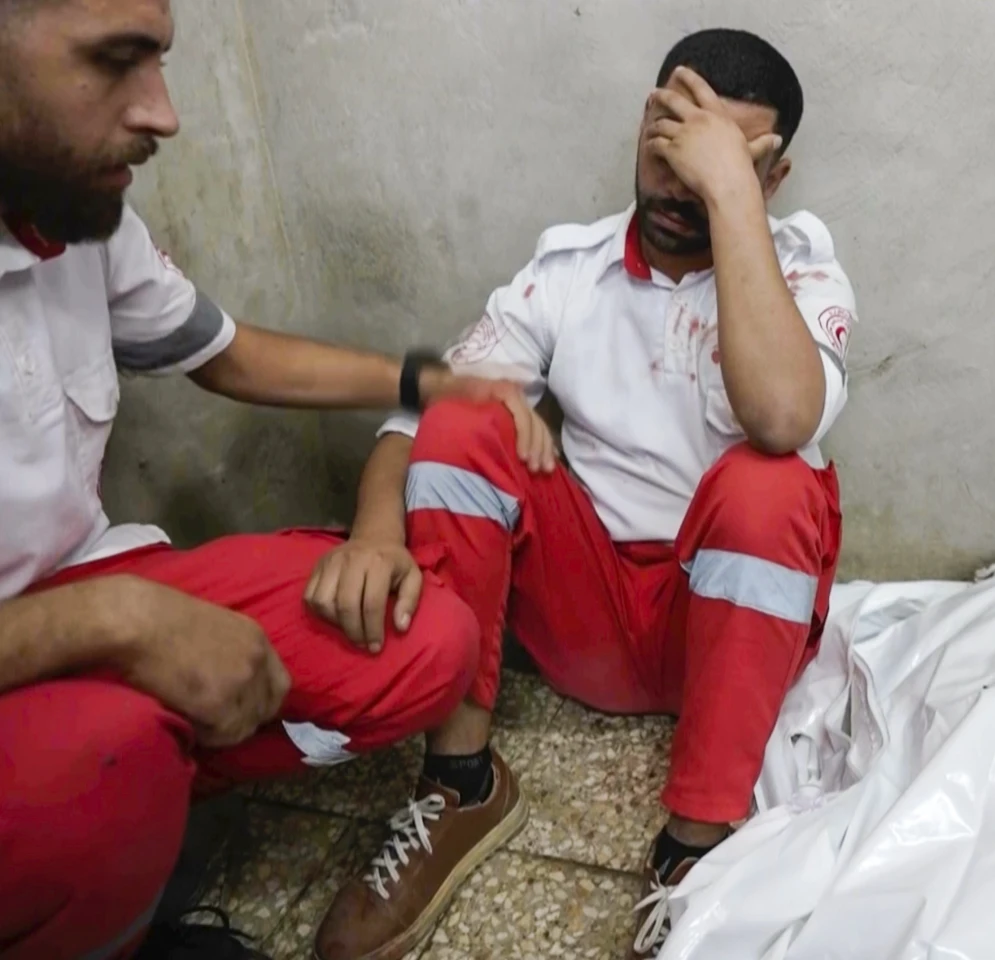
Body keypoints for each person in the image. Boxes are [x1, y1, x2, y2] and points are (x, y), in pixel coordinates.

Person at [0, 2, 541, 958]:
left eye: (160, 62)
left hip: (77, 585)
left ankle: (136, 807)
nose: (164, 113)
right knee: (101, 760)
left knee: (424, 641)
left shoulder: (66, 208)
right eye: (116, 61)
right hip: (65, 627)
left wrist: (423, 382)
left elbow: (226, 352)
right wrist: (115, 625)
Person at [310, 27, 855, 960]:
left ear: (772, 174)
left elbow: (782, 417)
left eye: (719, 162)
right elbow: (418, 418)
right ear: (647, 121)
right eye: (673, 145)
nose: (681, 182)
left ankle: (693, 847)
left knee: (774, 481)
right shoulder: (572, 270)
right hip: (584, 618)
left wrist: (732, 198)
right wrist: (371, 531)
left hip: (718, 647)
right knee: (465, 416)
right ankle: (461, 784)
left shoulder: (801, 268)